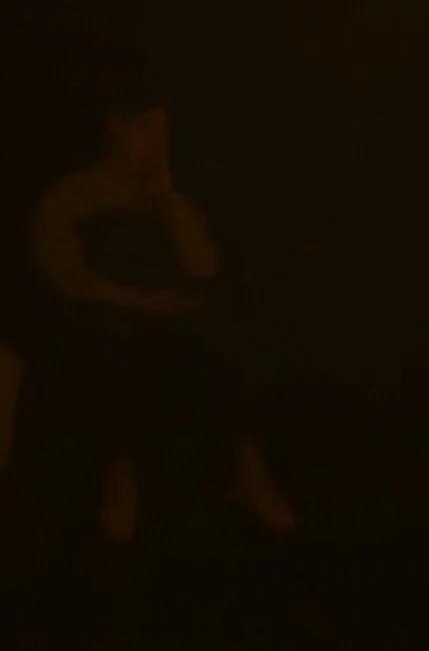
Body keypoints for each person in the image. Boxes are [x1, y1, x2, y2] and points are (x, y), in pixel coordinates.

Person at [30, 97, 296, 541]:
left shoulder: (171, 198)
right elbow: (64, 272)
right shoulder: (73, 194)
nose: (155, 144)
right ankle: (119, 479)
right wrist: (131, 299)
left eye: (163, 134)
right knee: (106, 340)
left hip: (167, 309)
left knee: (230, 331)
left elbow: (203, 267)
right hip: (107, 307)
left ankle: (249, 472)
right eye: (145, 131)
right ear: (117, 128)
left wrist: (168, 198)